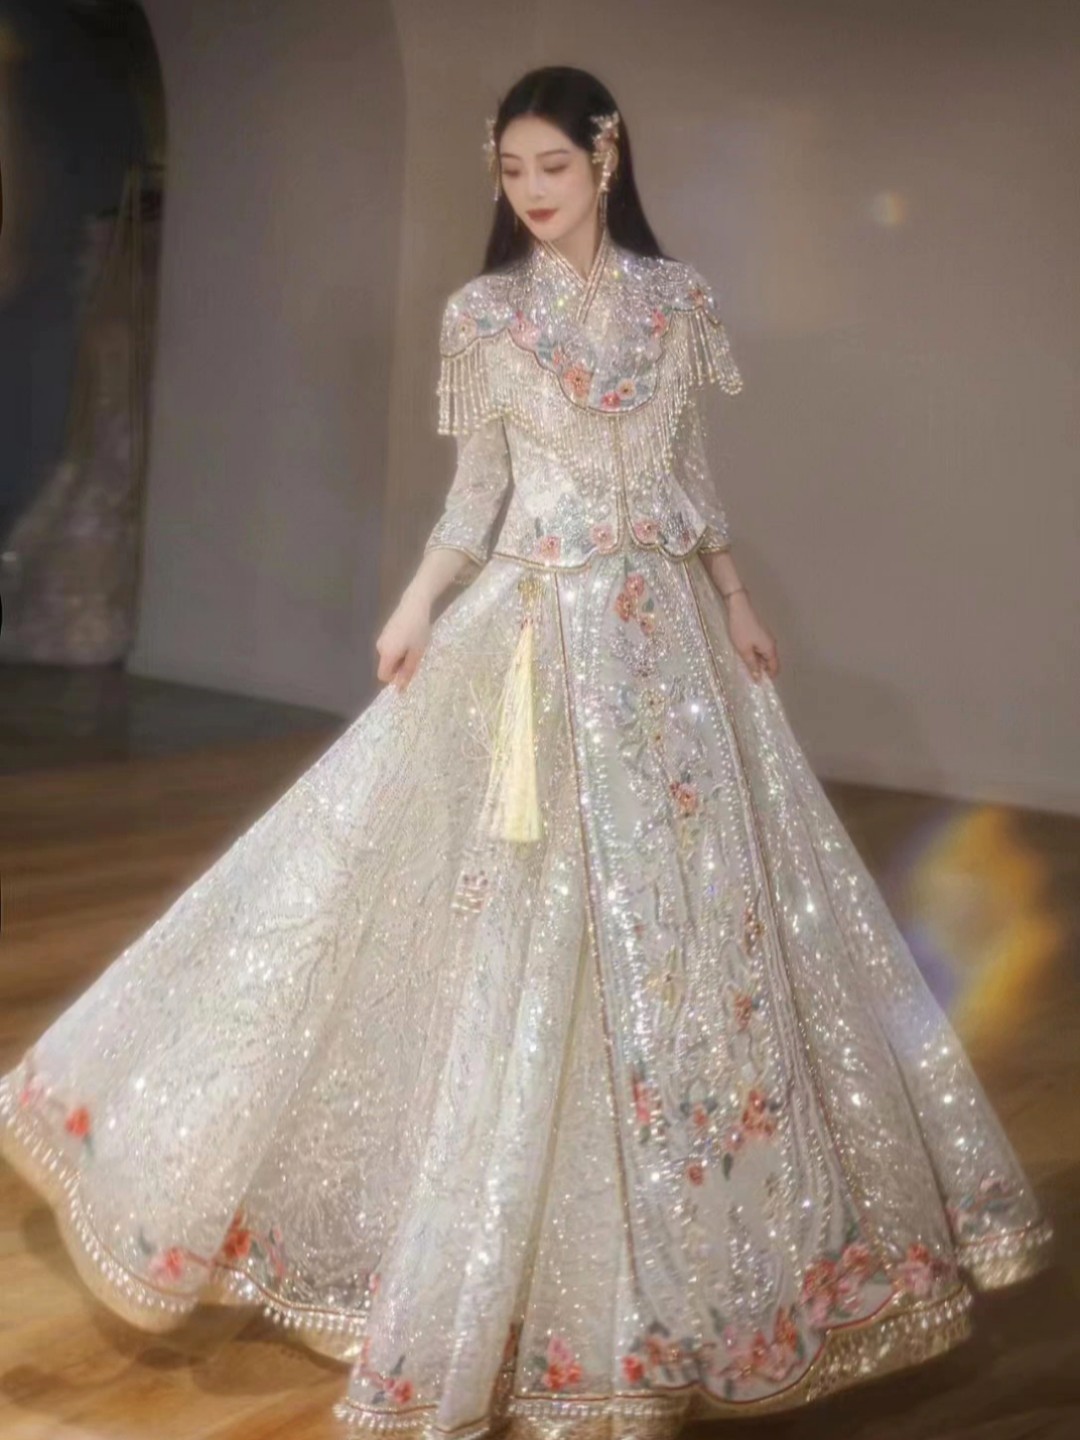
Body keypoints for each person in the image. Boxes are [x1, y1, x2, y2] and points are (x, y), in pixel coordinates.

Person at [0, 65, 1054, 1440]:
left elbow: (688, 477)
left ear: (607, 160)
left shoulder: (678, 302)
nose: (531, 191)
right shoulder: (483, 313)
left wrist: (736, 598)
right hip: (534, 644)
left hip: (667, 651)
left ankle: (699, 1267)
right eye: (510, 170)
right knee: (489, 911)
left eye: (552, 165)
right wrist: (415, 603)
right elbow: (478, 494)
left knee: (695, 933)